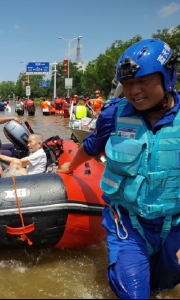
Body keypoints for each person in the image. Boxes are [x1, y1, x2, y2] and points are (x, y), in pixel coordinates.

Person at [57, 39, 180, 299]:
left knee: (164, 288)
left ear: (168, 76)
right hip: (128, 223)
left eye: (142, 81)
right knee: (134, 294)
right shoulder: (113, 114)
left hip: (175, 225)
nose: (133, 91)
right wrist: (70, 166)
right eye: (127, 83)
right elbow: (91, 146)